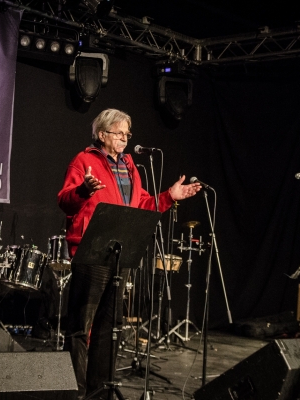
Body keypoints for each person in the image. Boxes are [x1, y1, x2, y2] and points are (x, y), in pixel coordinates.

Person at [58, 108, 201, 399]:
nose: (125, 138)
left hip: (120, 252)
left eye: (127, 133)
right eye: (119, 133)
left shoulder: (129, 165)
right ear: (102, 135)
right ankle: (75, 393)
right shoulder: (84, 161)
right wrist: (84, 190)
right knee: (80, 328)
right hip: (91, 251)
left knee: (109, 327)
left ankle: (100, 393)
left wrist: (169, 196)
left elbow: (142, 204)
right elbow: (65, 201)